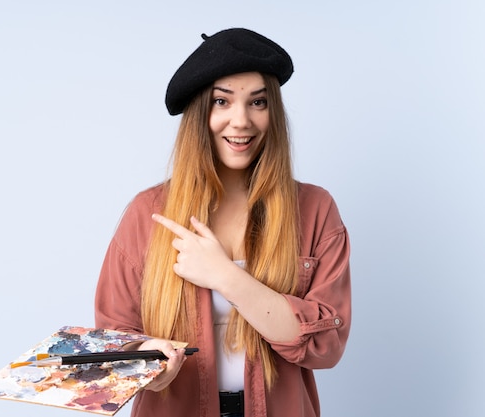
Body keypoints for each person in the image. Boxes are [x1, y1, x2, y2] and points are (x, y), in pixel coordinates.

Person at [95, 27, 351, 417]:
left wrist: (225, 276)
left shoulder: (314, 209)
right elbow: (113, 339)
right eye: (222, 102)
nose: (241, 120)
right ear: (201, 113)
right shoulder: (148, 213)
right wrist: (148, 365)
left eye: (258, 102)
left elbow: (326, 345)